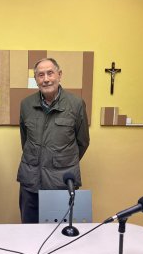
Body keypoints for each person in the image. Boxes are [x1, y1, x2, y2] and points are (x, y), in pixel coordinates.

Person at [17, 58, 90, 223]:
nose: (46, 79)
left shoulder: (76, 104)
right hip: (31, 181)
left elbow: (82, 141)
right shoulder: (26, 104)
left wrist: (63, 162)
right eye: (40, 75)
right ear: (36, 79)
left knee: (60, 233)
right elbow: (25, 140)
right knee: (29, 231)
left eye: (50, 73)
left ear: (59, 75)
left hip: (62, 183)